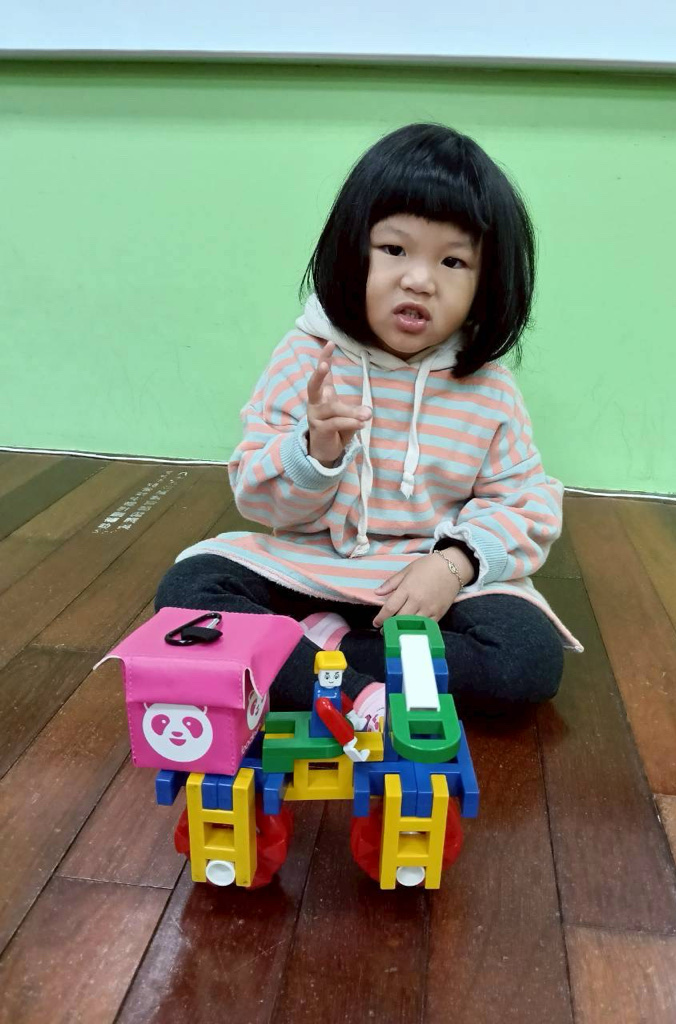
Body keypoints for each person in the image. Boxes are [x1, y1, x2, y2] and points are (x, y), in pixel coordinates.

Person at [155, 122, 583, 728]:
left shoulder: (489, 388)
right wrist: (314, 455)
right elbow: (254, 495)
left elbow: (526, 503)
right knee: (188, 592)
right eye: (394, 249)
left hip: (429, 585)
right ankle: (360, 689)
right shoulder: (307, 358)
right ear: (352, 250)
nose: (419, 279)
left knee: (527, 660)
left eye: (453, 260)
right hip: (310, 569)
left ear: (487, 281)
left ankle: (310, 659)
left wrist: (454, 564)